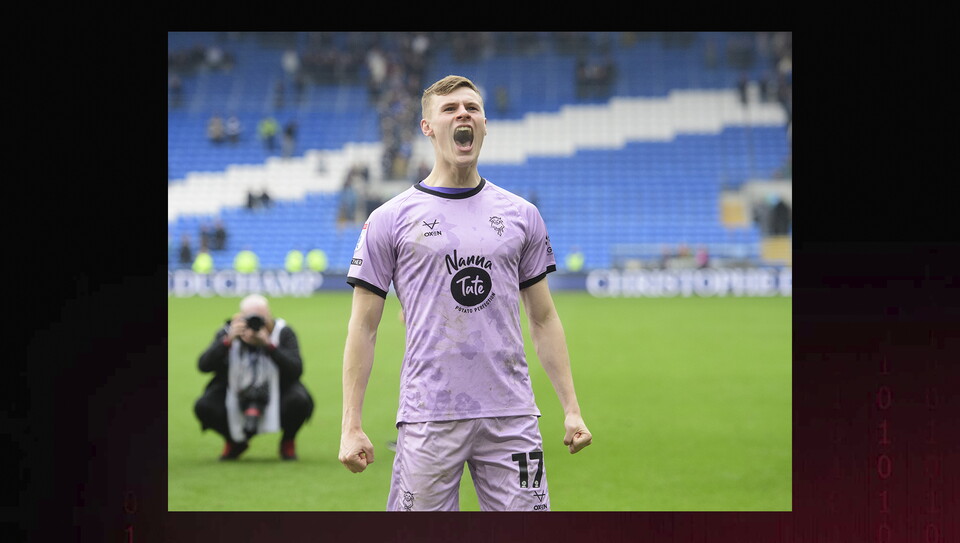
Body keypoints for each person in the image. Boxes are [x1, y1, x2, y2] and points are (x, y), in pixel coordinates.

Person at [339, 75, 592, 512]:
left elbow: (544, 318)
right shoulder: (389, 219)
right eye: (450, 108)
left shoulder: (521, 215)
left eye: (472, 108)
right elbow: (364, 326)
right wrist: (350, 424)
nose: (463, 115)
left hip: (512, 416)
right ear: (427, 127)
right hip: (428, 416)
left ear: (485, 124)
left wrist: (571, 408)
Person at [194, 294, 314, 460]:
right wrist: (227, 341)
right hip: (234, 392)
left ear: (270, 316)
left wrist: (269, 346)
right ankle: (234, 441)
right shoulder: (228, 332)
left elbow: (296, 370)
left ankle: (288, 441)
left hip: (278, 392)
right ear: (239, 317)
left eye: (260, 319)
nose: (255, 324)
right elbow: (203, 365)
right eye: (249, 319)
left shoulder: (282, 332)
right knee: (204, 406)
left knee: (299, 401)